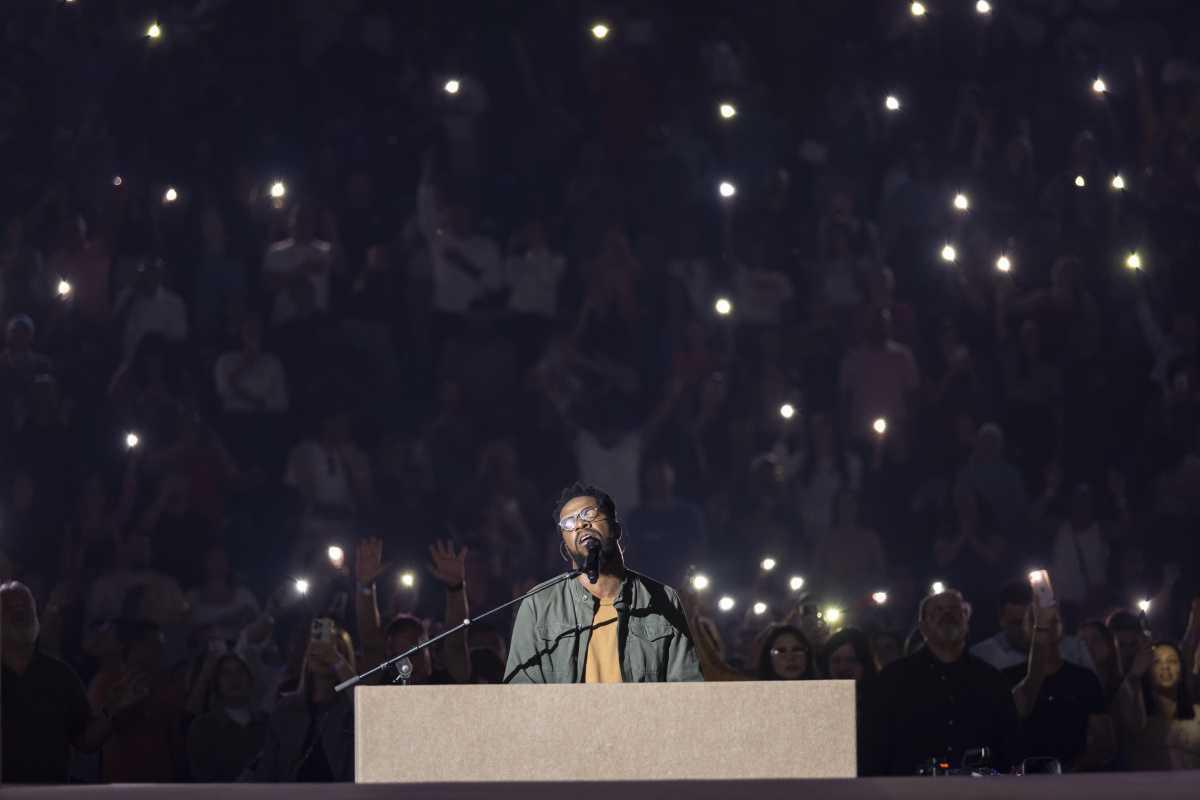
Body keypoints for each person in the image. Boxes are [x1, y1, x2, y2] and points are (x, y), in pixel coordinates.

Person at [504, 483, 702, 683]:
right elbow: (521, 693)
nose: (581, 524)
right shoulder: (538, 604)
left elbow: (686, 688)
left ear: (616, 530)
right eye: (569, 523)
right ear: (565, 550)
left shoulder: (663, 599)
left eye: (589, 514)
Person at [862, 588, 1020, 775]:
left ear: (966, 622)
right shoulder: (893, 680)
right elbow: (874, 749)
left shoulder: (991, 680)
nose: (947, 614)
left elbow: (1009, 747)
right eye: (938, 610)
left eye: (954, 609)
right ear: (923, 627)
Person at [1, 581, 144, 783]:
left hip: (52, 793)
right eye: (9, 607)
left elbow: (85, 741)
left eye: (25, 607)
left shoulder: (59, 675)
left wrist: (112, 711)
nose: (19, 611)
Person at [1006, 600, 1115, 771]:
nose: (1045, 624)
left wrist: (1073, 770)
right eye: (1035, 620)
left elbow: (1104, 742)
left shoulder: (1084, 679)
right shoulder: (1008, 678)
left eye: (1053, 620)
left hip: (1075, 783)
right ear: (1025, 629)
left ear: (1062, 627)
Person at [250, 621, 357, 782]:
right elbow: (268, 768)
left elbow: (371, 713)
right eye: (318, 647)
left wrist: (336, 660)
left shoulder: (351, 708)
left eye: (335, 649)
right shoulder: (287, 708)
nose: (324, 653)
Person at [972, 579, 1096, 674]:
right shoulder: (983, 657)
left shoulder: (1074, 650)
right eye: (1017, 623)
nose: (1025, 629)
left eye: (1031, 621)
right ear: (1002, 620)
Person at [623, 459, 707, 587]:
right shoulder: (636, 517)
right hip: (647, 584)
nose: (660, 483)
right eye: (655, 478)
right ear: (647, 481)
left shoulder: (688, 514)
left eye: (663, 478)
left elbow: (698, 548)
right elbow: (630, 552)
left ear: (672, 479)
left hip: (683, 583)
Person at [1120, 640, 1200, 769]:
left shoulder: (1198, 716)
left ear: (1182, 672)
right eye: (1157, 662)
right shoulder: (1138, 716)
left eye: (1172, 661)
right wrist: (1134, 676)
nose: (1165, 666)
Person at [187, 653, 267, 781]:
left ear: (250, 679)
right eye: (226, 673)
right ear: (217, 683)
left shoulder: (269, 724)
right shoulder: (202, 728)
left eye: (240, 671)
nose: (234, 678)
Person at [262, 203, 334, 327]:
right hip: (284, 322)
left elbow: (344, 273)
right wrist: (300, 271)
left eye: (307, 219)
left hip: (318, 325)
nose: (303, 224)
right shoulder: (275, 251)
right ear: (290, 221)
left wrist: (333, 231)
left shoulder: (325, 251)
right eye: (299, 218)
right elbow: (267, 286)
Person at [112, 258, 188, 362]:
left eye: (153, 270)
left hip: (160, 363)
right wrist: (130, 300)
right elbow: (114, 330)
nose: (148, 275)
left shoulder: (173, 302)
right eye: (144, 269)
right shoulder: (125, 297)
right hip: (127, 363)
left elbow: (179, 337)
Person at [214, 314, 289, 413]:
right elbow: (223, 391)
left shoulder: (273, 363)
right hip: (235, 417)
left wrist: (261, 404)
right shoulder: (225, 361)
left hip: (265, 418)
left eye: (256, 331)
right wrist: (243, 366)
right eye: (248, 331)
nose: (252, 335)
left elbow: (281, 401)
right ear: (241, 333)